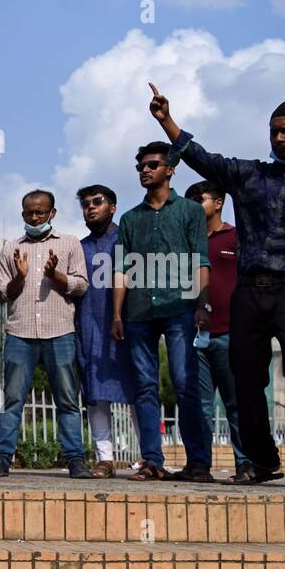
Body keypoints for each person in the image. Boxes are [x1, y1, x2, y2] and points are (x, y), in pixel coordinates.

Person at [149, 85, 285, 489]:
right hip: (249, 292)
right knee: (245, 378)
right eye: (273, 130)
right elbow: (203, 159)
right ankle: (261, 460)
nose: (279, 138)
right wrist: (167, 121)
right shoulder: (248, 174)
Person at [111, 141, 212, 482]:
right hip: (138, 311)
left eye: (153, 164)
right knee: (144, 386)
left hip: (181, 308)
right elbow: (121, 269)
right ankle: (152, 460)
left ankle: (198, 462)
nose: (145, 170)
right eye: (141, 166)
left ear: (170, 169)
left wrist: (202, 304)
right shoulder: (129, 218)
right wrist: (116, 315)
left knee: (186, 384)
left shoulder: (190, 212)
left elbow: (200, 260)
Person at [0, 190, 92, 479]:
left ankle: (75, 460)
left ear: (52, 213)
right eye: (29, 213)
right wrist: (20, 277)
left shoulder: (69, 244)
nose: (34, 218)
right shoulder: (11, 248)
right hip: (20, 333)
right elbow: (1, 293)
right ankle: (2, 459)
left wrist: (55, 275)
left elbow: (82, 285)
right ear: (23, 214)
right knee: (12, 399)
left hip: (60, 332)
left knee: (68, 399)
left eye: (40, 213)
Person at [185, 180, 249, 481]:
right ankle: (200, 465)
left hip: (230, 333)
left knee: (237, 403)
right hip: (194, 335)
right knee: (199, 407)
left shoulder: (236, 237)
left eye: (200, 198)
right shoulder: (186, 241)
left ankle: (245, 464)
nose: (194, 204)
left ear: (219, 202)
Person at [76, 184, 136, 478]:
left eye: (97, 202)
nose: (90, 207)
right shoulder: (78, 248)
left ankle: (150, 457)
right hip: (89, 327)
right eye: (85, 203)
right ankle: (105, 458)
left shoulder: (128, 242)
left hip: (128, 326)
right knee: (96, 394)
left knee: (140, 389)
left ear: (113, 207)